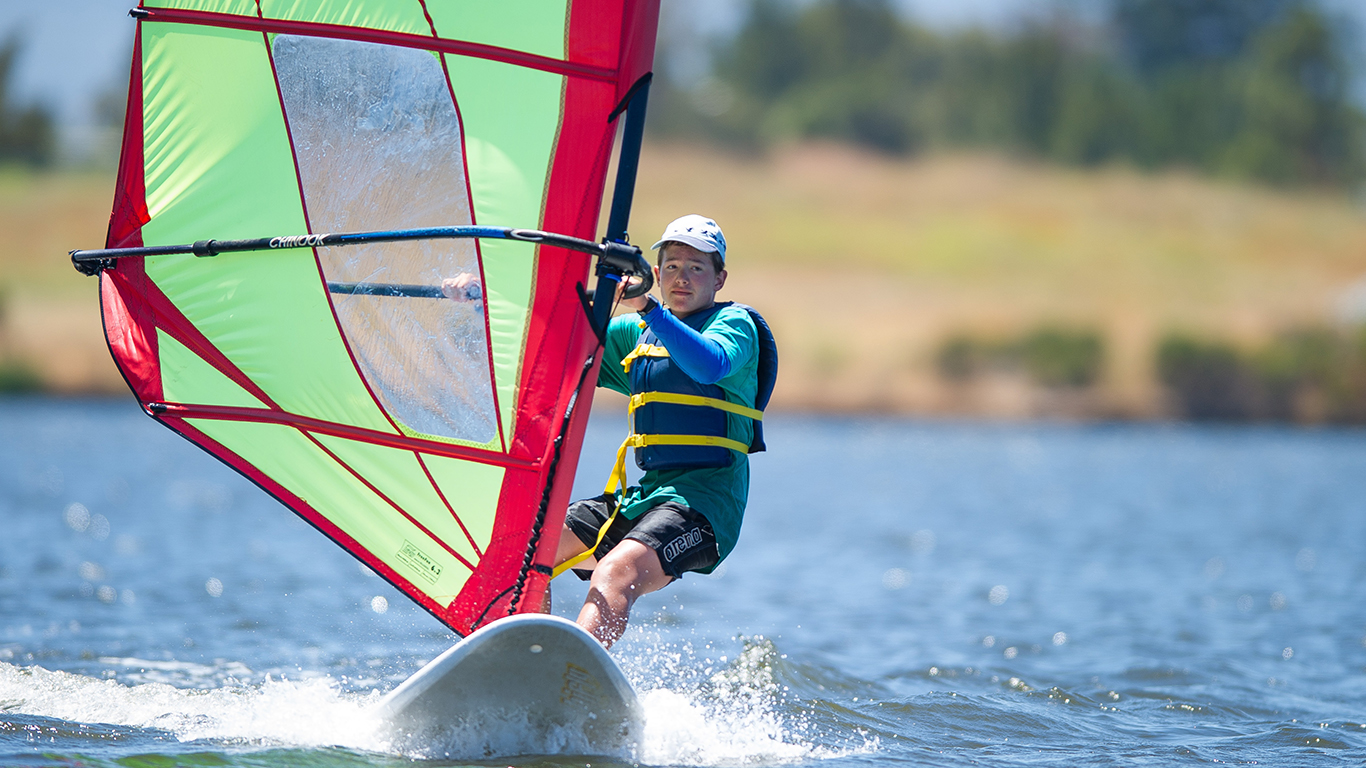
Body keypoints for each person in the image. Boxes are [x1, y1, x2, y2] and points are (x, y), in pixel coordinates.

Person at [446, 215, 767, 649]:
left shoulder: (734, 325)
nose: (682, 279)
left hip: (706, 507)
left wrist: (648, 307)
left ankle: (570, 676)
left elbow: (709, 365)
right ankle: (525, 660)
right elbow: (547, 336)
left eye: (696, 268)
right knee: (527, 547)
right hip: (646, 499)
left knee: (616, 572)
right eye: (671, 267)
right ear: (656, 274)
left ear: (720, 278)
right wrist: (485, 302)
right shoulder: (634, 334)